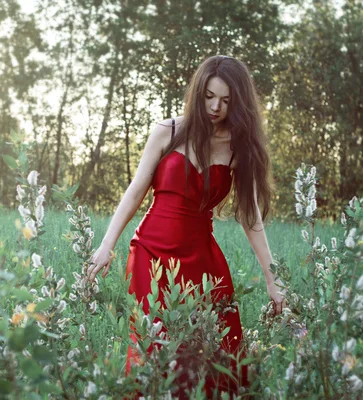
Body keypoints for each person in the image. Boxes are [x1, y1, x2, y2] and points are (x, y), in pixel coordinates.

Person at [85, 55, 287, 398]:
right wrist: (106, 245)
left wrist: (273, 278)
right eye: (209, 96)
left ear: (238, 102)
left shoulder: (239, 148)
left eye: (226, 100)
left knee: (220, 343)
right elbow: (136, 191)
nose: (215, 107)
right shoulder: (169, 131)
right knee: (159, 344)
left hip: (202, 257)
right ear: (198, 93)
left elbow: (249, 216)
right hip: (151, 252)